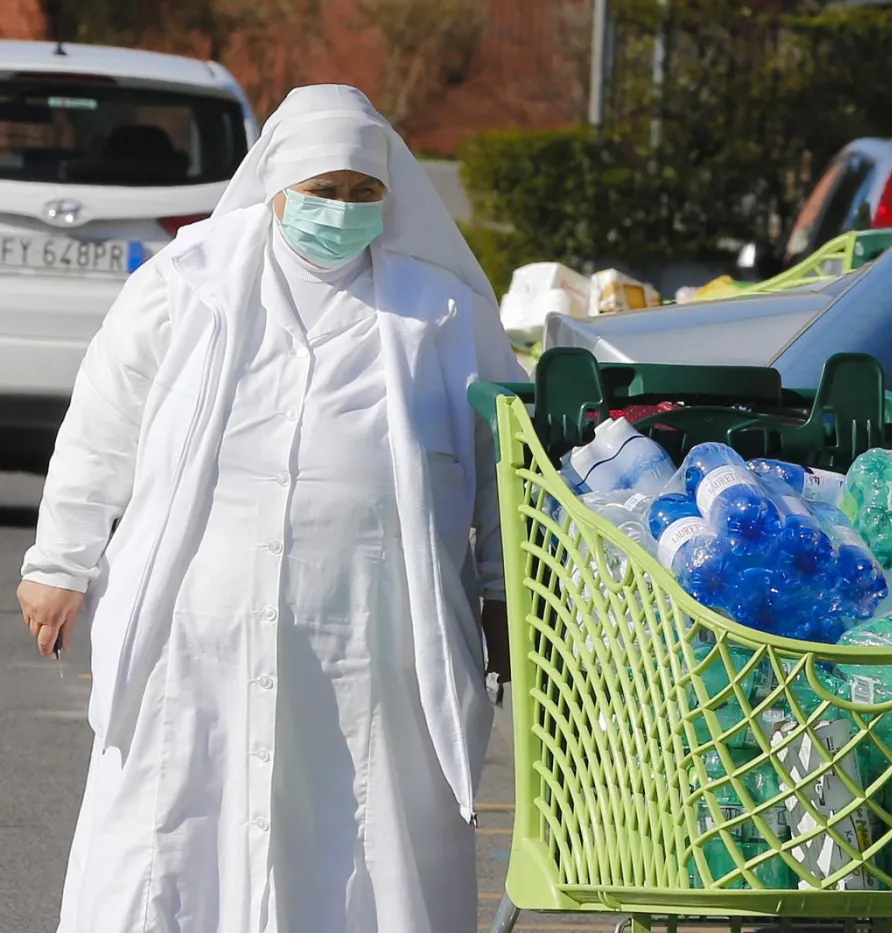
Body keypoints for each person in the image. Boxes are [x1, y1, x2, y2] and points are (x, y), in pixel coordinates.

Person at [16, 84, 522, 933]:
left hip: (373, 645)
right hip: (200, 635)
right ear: (278, 183)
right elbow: (102, 423)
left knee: (360, 842)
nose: (343, 209)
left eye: (364, 193)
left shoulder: (443, 314)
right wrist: (59, 562)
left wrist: (506, 594)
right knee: (179, 836)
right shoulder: (188, 284)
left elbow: (501, 461)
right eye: (324, 190)